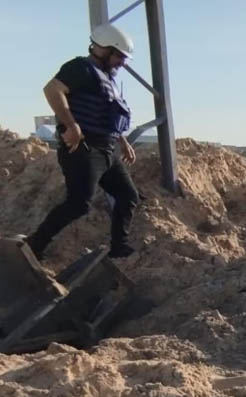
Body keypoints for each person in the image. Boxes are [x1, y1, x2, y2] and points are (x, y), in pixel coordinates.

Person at [25, 23, 140, 260]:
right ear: (106, 49)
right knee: (79, 204)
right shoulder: (80, 68)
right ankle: (35, 244)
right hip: (84, 149)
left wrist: (123, 142)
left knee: (128, 195)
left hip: (106, 149)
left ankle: (119, 246)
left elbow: (108, 113)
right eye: (120, 56)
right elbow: (52, 90)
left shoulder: (108, 77)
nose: (123, 62)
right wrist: (70, 124)